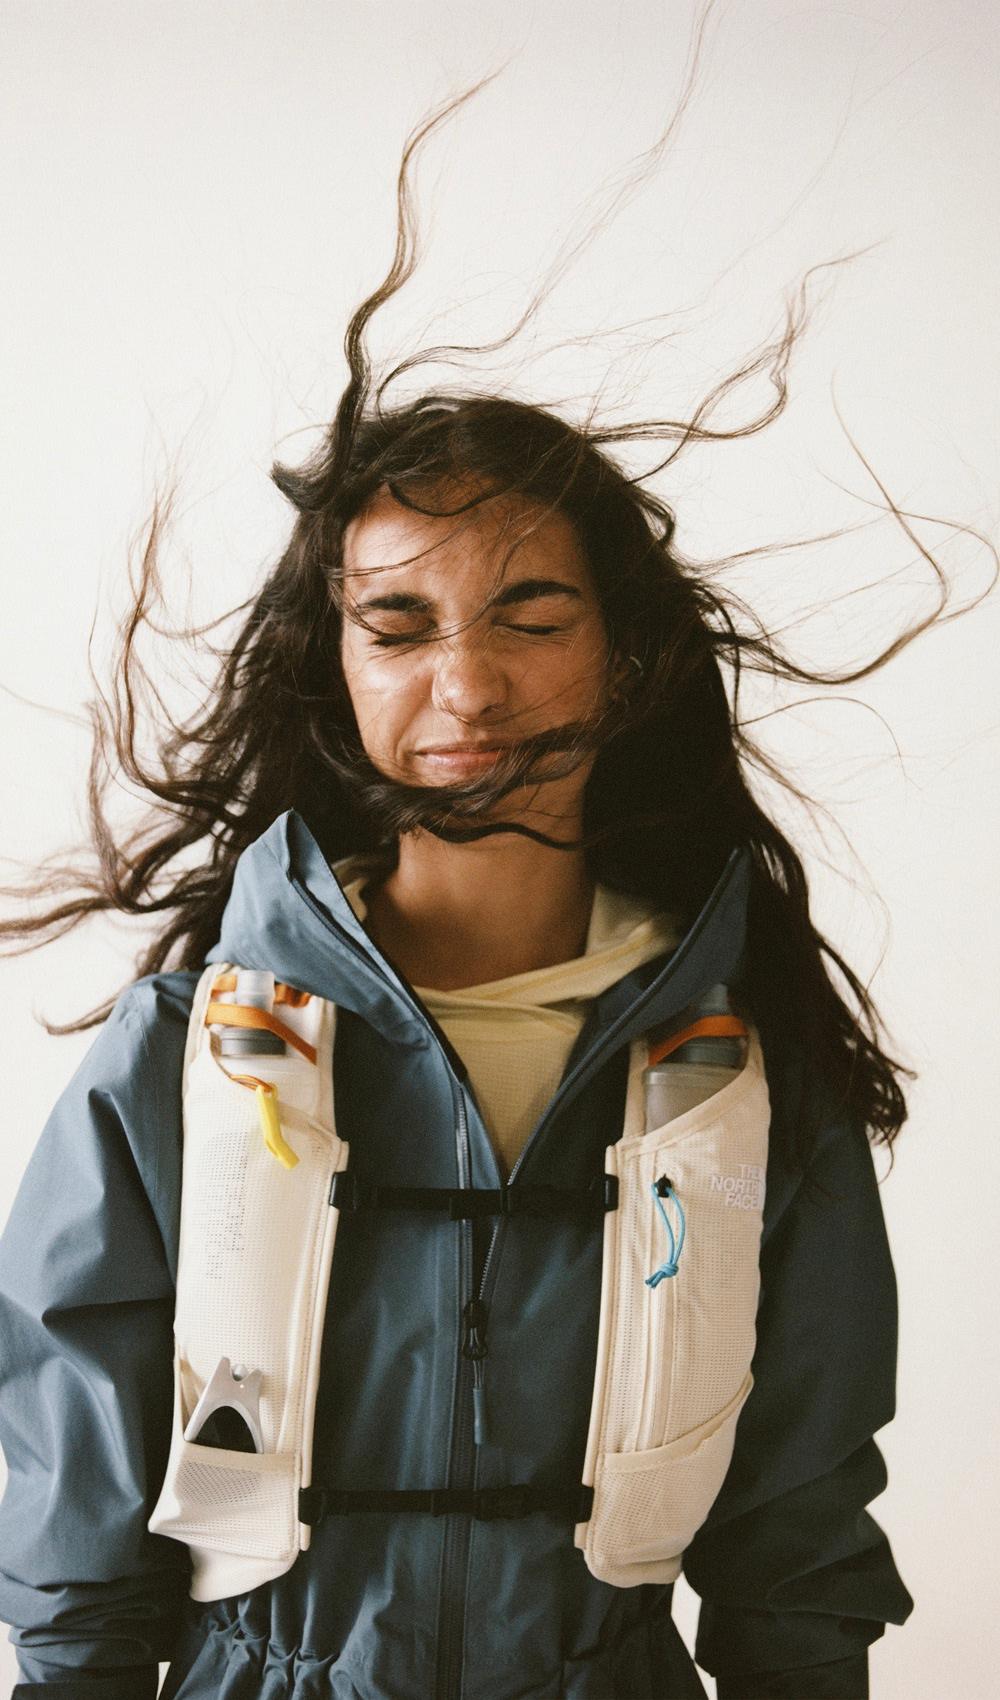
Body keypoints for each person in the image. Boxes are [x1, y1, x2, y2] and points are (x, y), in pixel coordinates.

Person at [0, 83, 944, 1700]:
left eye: (530, 612)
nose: (467, 684)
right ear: (336, 671)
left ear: (628, 655)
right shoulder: (185, 1054)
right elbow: (73, 1562)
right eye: (400, 627)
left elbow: (797, 1557)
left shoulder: (739, 1068)